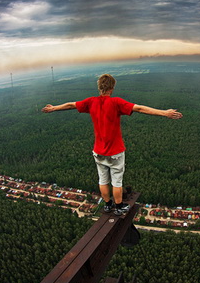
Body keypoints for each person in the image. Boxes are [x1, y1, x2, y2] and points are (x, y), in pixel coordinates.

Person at [42, 74, 183, 215]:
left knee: (103, 180)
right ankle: (119, 206)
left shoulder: (91, 102)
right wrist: (164, 113)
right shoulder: (116, 102)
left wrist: (54, 108)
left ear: (99, 87)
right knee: (117, 181)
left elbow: (71, 105)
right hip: (115, 152)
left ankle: (108, 205)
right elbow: (139, 108)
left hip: (98, 151)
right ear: (112, 87)